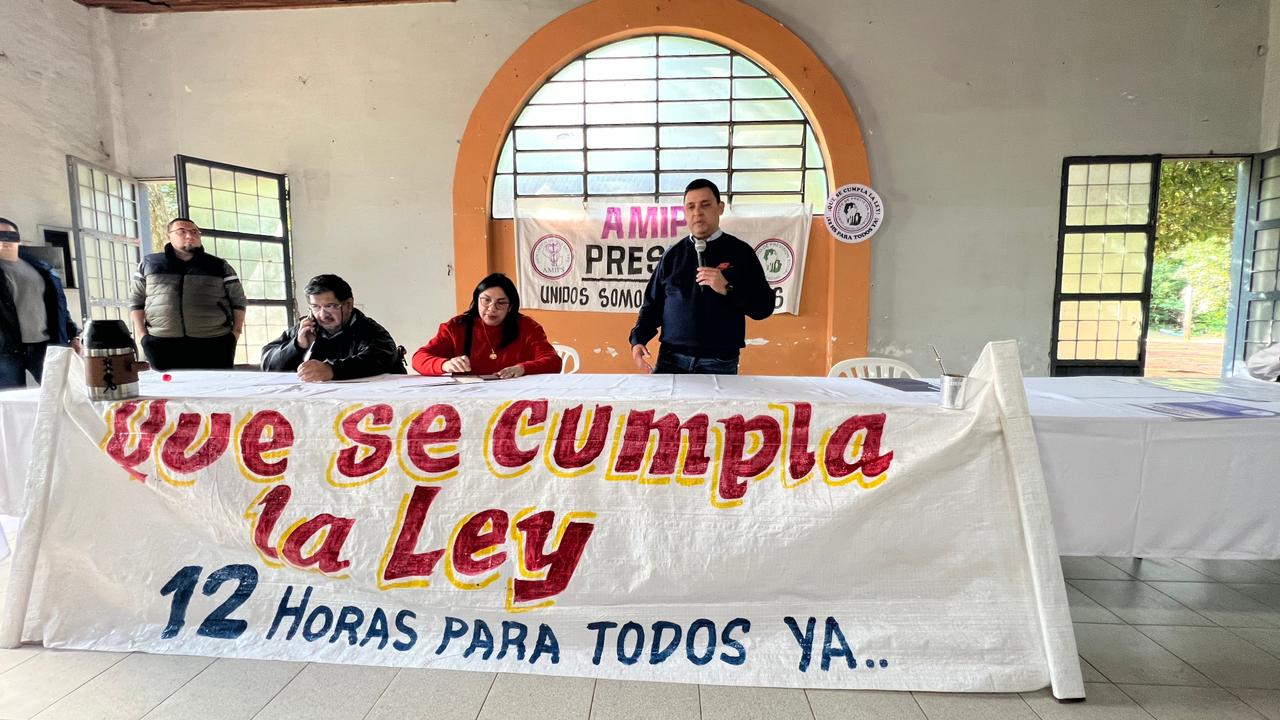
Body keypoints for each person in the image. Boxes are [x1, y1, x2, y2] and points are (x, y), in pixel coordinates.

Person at [629, 178, 774, 374]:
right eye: (691, 207)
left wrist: (727, 289)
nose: (697, 212)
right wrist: (638, 340)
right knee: (666, 407)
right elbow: (652, 306)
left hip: (719, 363)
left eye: (705, 205)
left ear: (720, 208)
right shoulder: (672, 255)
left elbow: (763, 307)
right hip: (671, 360)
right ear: (685, 212)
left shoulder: (741, 253)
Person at [129, 218, 246, 371]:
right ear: (169, 236)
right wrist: (143, 335)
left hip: (215, 343)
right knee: (170, 392)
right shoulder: (150, 264)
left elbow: (238, 299)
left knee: (215, 391)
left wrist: (235, 333)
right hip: (161, 343)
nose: (190, 236)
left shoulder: (219, 266)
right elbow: (136, 299)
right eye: (181, 232)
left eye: (194, 232)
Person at [413, 272, 561, 378]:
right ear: (476, 300)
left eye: (501, 303)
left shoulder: (527, 327)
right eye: (486, 300)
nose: (492, 308)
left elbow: (553, 362)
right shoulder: (456, 327)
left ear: (510, 307)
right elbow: (418, 358)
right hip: (468, 398)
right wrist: (444, 365)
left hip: (515, 397)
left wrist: (522, 368)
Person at [260, 274, 405, 381]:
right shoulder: (306, 328)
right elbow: (267, 363)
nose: (322, 315)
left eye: (330, 306)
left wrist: (332, 370)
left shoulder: (369, 330)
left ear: (348, 304)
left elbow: (378, 359)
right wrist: (297, 345)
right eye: (316, 307)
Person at [0, 217, 80, 388]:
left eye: (9, 235)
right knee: (10, 404)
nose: (4, 240)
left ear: (18, 238)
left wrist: (74, 334)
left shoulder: (42, 269)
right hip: (5, 350)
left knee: (63, 394)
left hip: (46, 345)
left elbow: (59, 306)